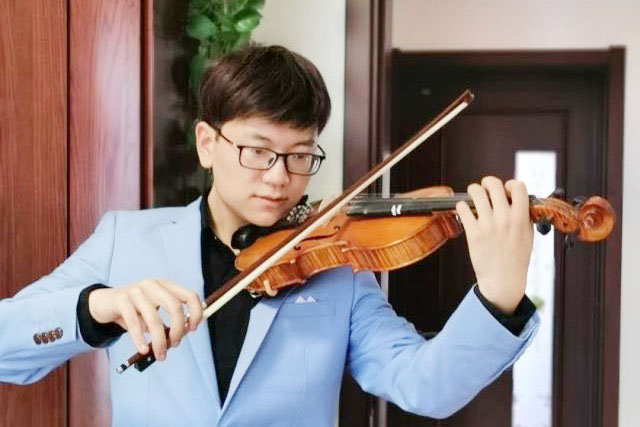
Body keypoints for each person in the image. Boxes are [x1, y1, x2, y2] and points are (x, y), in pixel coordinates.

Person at [0, 44, 538, 427]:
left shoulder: (338, 269)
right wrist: (97, 306)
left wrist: (499, 296)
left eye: (300, 155)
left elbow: (425, 387)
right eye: (258, 151)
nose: (280, 177)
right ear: (207, 144)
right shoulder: (127, 239)